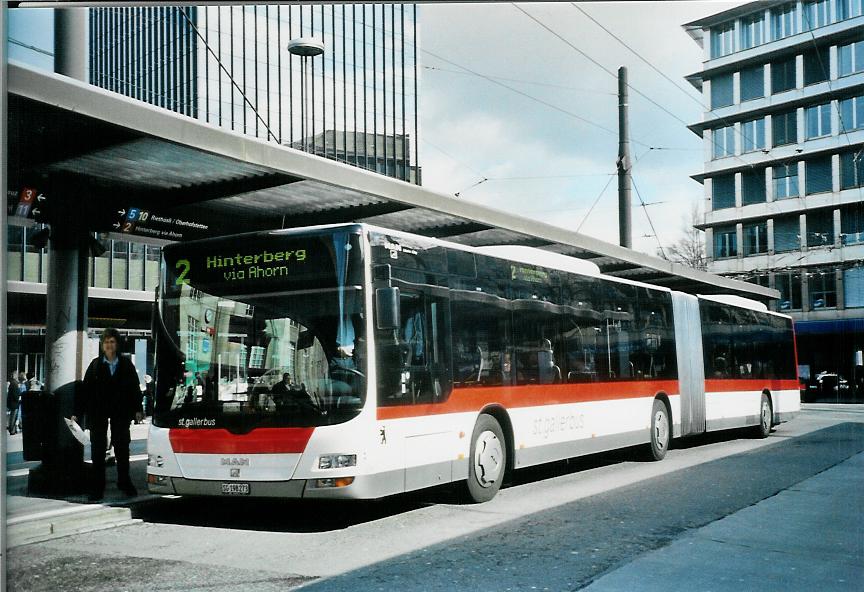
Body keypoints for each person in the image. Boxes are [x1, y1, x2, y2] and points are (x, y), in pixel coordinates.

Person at [73, 328, 144, 501]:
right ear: (102, 345)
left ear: (117, 344)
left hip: (121, 411)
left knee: (122, 448)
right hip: (98, 412)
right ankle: (97, 488)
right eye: (106, 342)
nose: (109, 345)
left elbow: (134, 388)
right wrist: (77, 412)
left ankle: (124, 482)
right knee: (97, 450)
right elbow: (85, 390)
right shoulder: (96, 365)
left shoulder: (126, 364)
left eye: (112, 342)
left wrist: (138, 409)